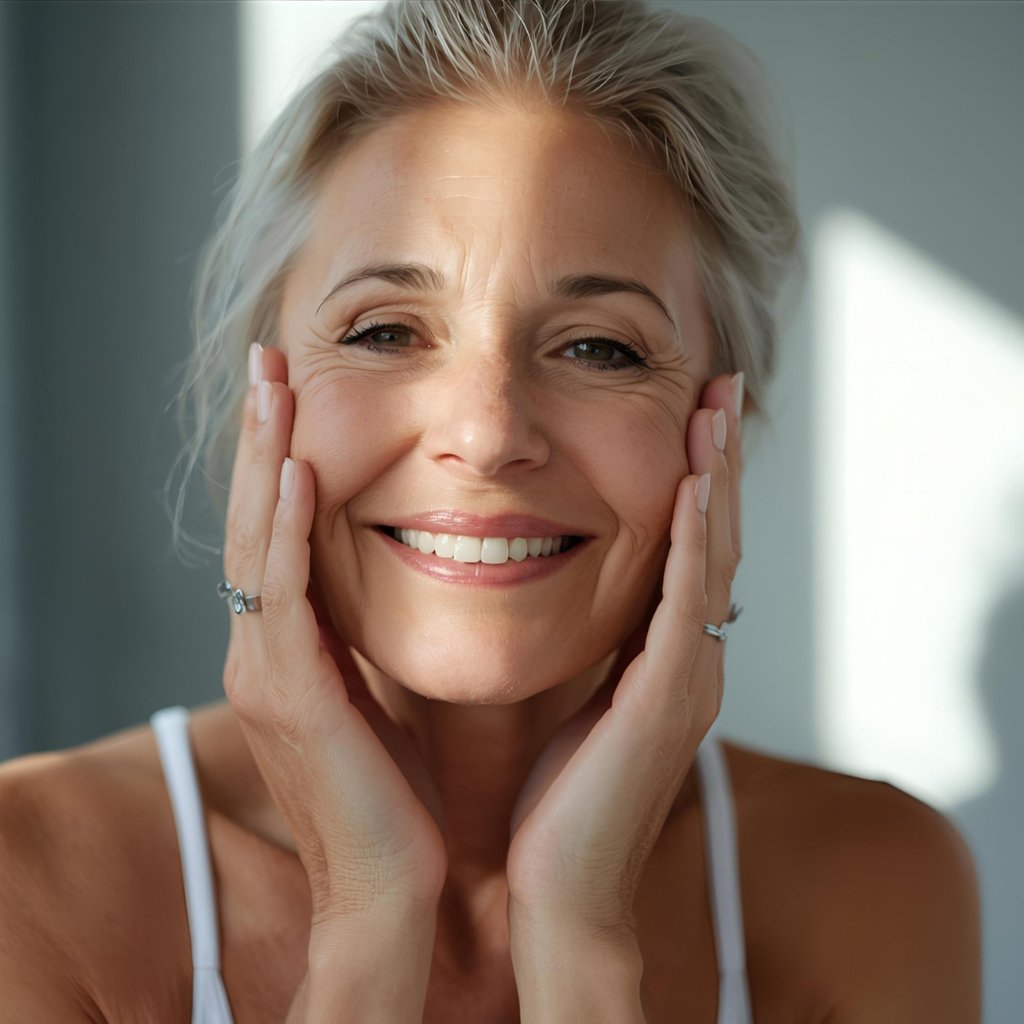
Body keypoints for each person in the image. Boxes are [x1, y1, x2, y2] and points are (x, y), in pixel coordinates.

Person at [0, 1, 980, 1021]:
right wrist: (367, 918)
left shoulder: (871, 883)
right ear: (267, 397)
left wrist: (580, 936)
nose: (485, 431)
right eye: (386, 331)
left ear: (720, 419)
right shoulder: (28, 881)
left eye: (599, 347)